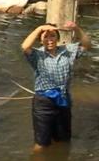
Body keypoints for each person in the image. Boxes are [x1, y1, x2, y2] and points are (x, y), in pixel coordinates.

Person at [21, 21, 91, 152]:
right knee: (41, 144)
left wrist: (76, 28)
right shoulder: (37, 55)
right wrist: (40, 28)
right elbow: (25, 46)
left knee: (63, 140)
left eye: (52, 36)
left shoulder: (68, 51)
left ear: (57, 38)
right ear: (41, 41)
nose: (49, 40)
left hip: (63, 99)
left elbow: (87, 44)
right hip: (43, 102)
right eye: (45, 37)